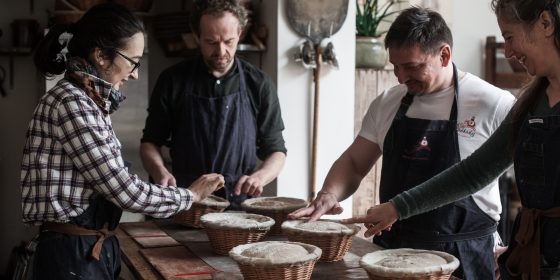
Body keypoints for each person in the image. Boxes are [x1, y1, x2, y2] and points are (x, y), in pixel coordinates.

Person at [288, 7, 516, 280]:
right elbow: (353, 163)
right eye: (395, 66)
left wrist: (517, 246)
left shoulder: (494, 104)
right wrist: (328, 193)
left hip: (465, 253)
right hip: (394, 253)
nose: (400, 77)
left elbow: (528, 180)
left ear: (444, 55)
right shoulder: (388, 102)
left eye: (412, 66)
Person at [340, 1, 560, 279]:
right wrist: (398, 208)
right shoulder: (531, 102)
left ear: (545, 24)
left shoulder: (495, 101)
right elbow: (474, 172)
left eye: (509, 37)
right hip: (535, 257)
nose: (509, 51)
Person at [22, 3, 225, 279]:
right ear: (101, 56)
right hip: (70, 254)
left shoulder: (90, 102)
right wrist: (191, 196)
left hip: (88, 248)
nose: (135, 73)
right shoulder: (71, 102)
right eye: (133, 61)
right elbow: (124, 191)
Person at [140, 0, 286, 210]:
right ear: (197, 37)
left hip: (238, 205)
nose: (221, 51)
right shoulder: (172, 80)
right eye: (211, 42)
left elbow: (277, 151)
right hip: (185, 201)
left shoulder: (259, 84)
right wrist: (159, 172)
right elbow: (149, 143)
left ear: (240, 34)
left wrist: (260, 177)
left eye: (229, 41)